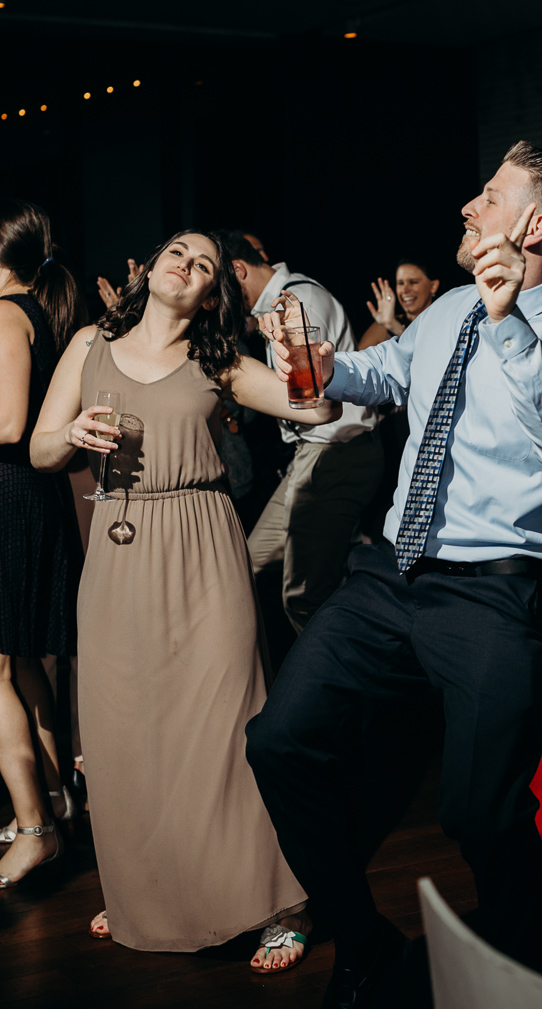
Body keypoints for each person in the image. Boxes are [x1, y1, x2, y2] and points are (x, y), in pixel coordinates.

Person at [246, 140, 542, 1007]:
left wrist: (508, 322)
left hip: (493, 593)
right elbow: (383, 374)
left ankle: (525, 986)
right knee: (279, 742)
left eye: (488, 195)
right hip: (390, 574)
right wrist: (318, 362)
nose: (467, 206)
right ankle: (366, 940)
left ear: (532, 225)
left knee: (482, 815)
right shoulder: (449, 307)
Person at [30, 229, 339, 967]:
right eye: (179, 251)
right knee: (124, 729)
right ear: (153, 267)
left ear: (211, 292)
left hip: (203, 545)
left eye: (204, 264)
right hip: (117, 547)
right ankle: (148, 888)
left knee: (229, 728)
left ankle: (279, 902)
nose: (188, 265)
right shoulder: (87, 346)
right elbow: (40, 447)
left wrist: (293, 346)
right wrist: (70, 431)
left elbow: (313, 413)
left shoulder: (217, 360)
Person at [217, 230, 384, 634]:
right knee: (247, 566)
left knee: (305, 595)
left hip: (336, 450)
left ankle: (339, 686)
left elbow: (312, 397)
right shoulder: (278, 304)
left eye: (223, 284)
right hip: (310, 455)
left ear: (238, 270)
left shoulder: (296, 302)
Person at [0, 199, 85, 888]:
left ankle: (34, 827)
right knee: (22, 660)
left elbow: (6, 423)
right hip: (31, 500)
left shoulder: (5, 312)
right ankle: (56, 799)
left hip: (9, 499)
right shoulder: (39, 309)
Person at [359, 258, 440, 349]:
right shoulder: (383, 326)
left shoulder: (442, 323)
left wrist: (395, 327)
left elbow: (427, 354)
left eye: (413, 282)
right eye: (401, 283)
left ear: (433, 286)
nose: (405, 290)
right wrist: (390, 323)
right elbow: (356, 360)